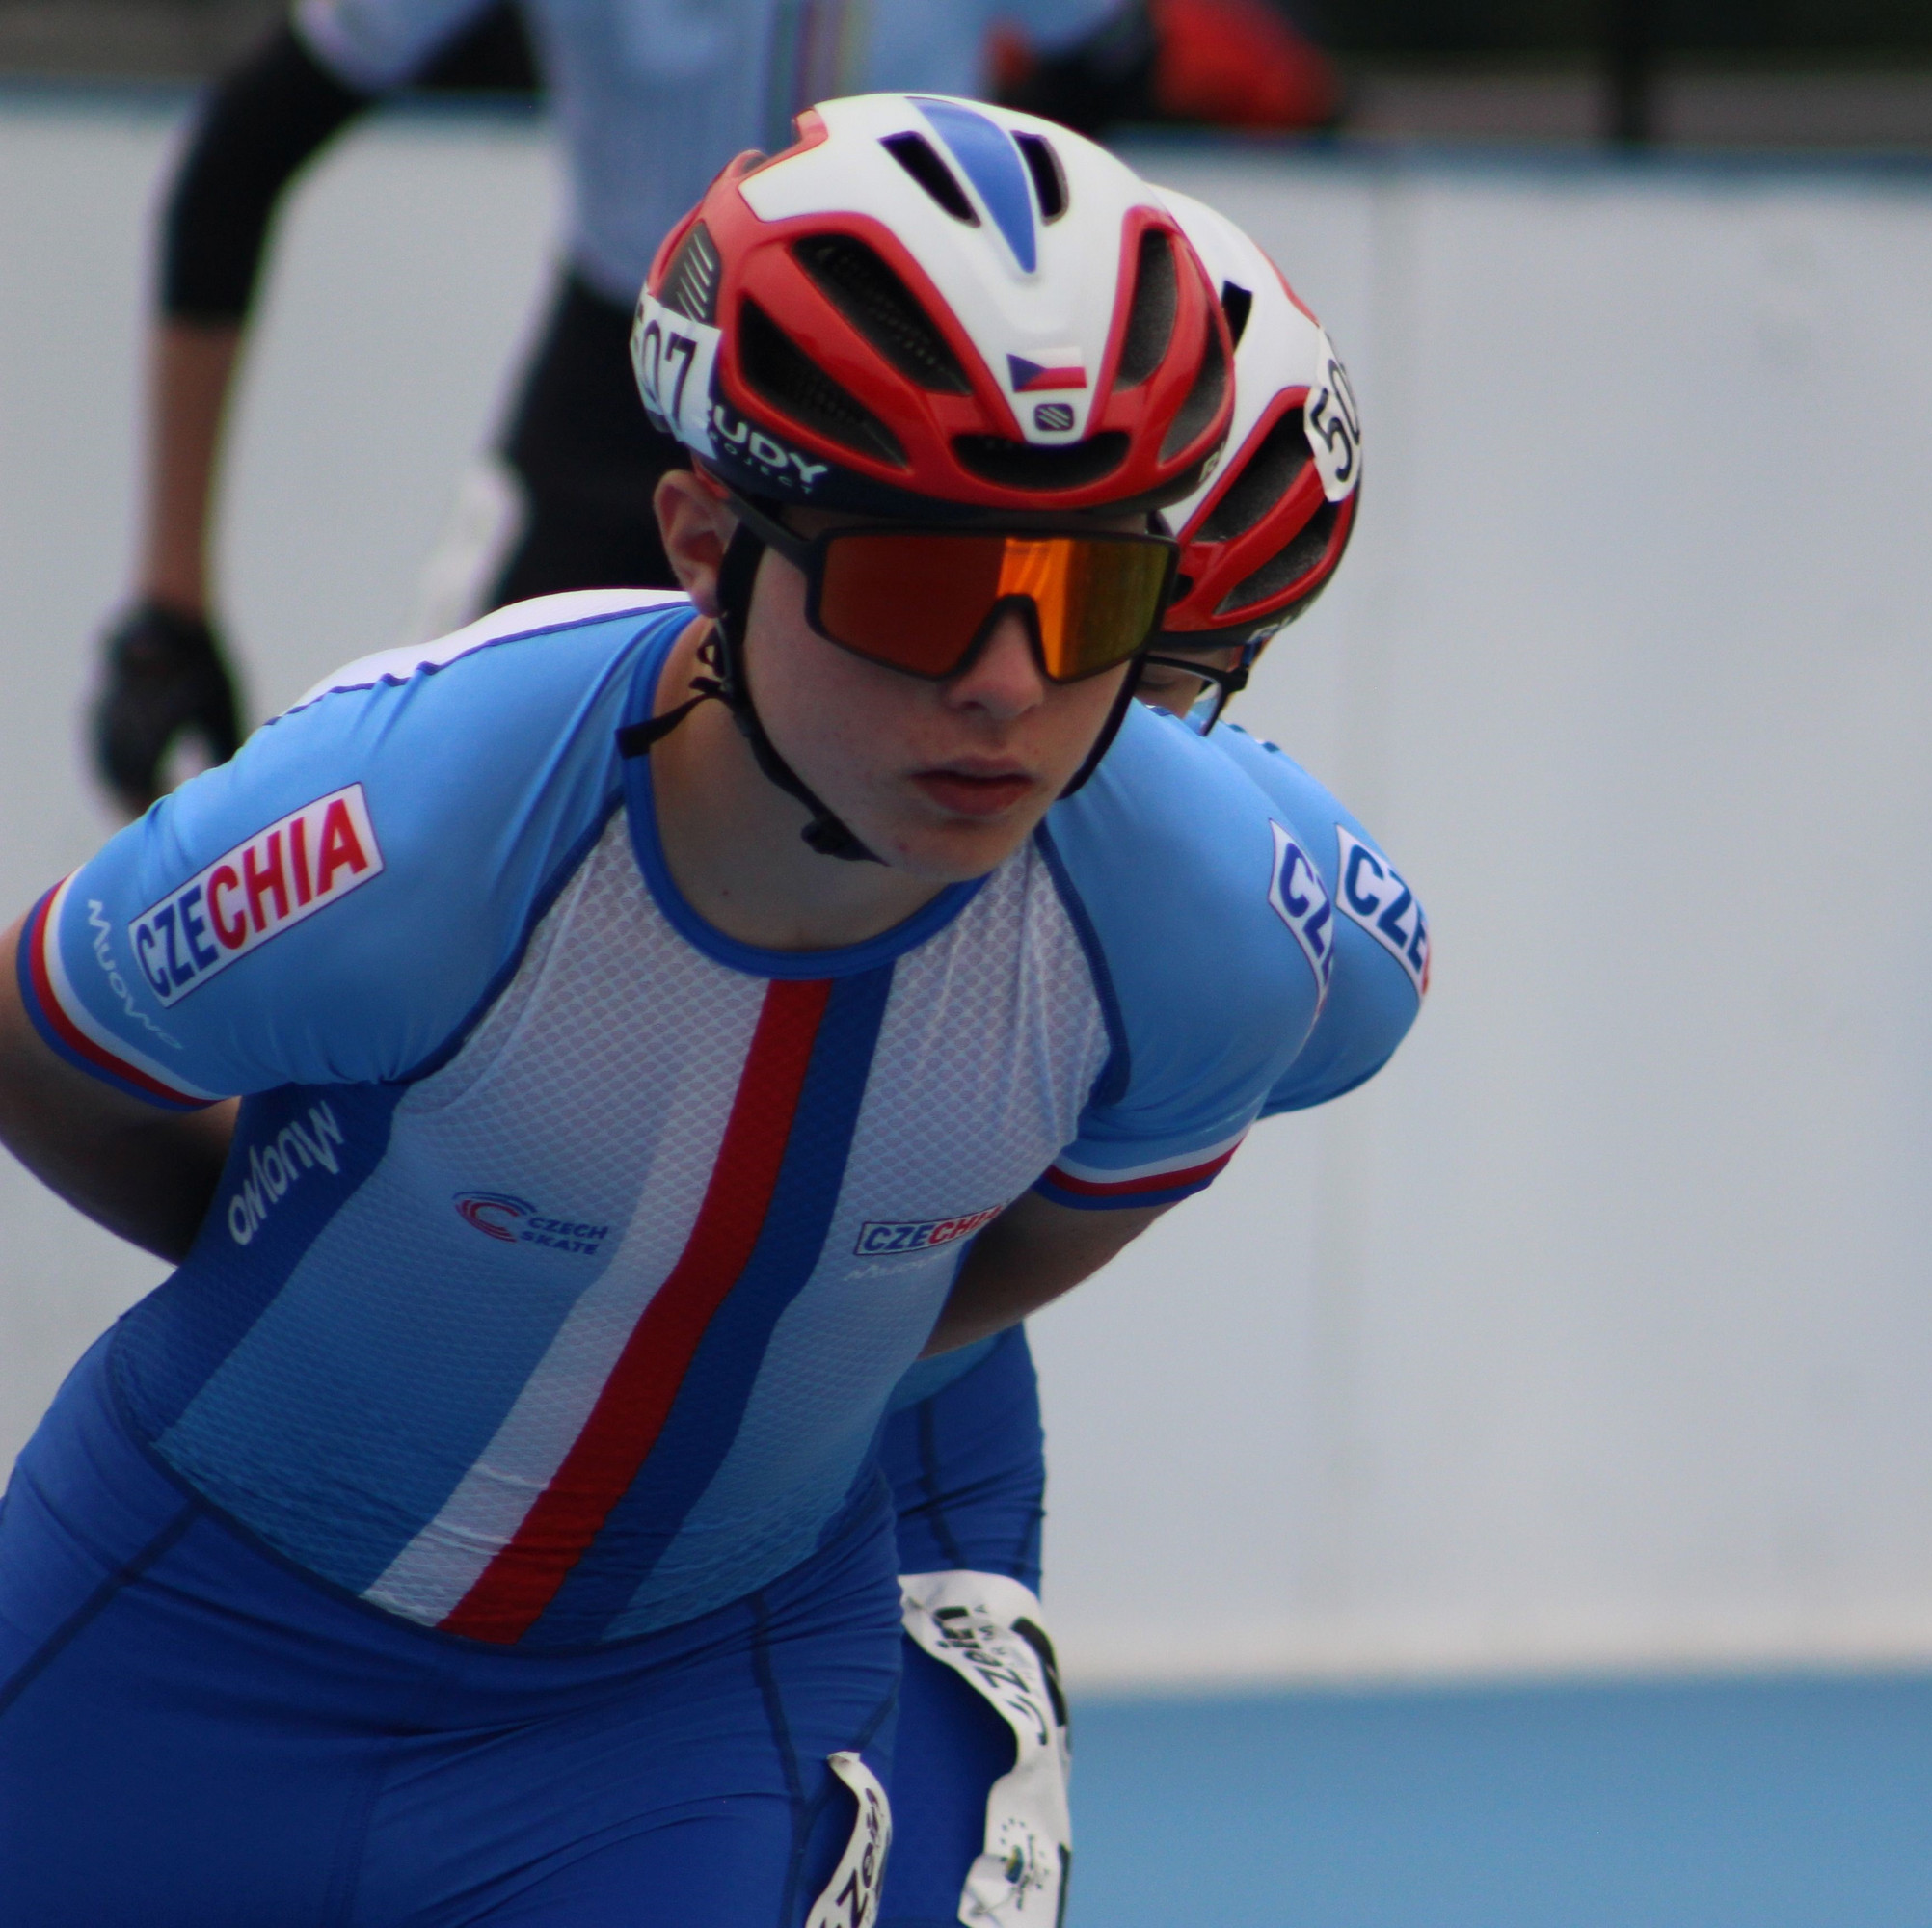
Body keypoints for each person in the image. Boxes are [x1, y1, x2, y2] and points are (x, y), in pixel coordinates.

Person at [0, 97, 1347, 1921]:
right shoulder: (414, 819)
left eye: (1093, 598)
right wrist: (307, 1245)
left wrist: (785, 1321)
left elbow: (985, 1279)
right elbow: (41, 1042)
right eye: (916, 586)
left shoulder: (1233, 927)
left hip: (669, 1711)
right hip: (183, 1639)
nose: (1004, 687)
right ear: (705, 540)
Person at [90, 0, 1338, 815]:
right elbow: (241, 156)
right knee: (432, 821)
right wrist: (168, 596)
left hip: (883, 417)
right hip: (655, 397)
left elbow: (1110, 69)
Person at [872, 182, 1414, 1928]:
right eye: (951, 605)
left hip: (897, 1429)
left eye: (1153, 686)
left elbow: (1357, 964)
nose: (1026, 717)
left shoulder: (1234, 901)